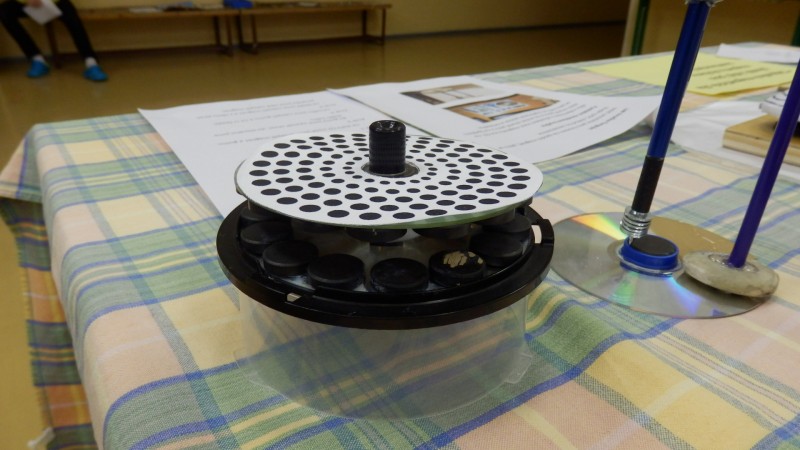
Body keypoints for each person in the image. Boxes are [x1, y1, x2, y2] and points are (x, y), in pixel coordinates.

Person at [0, 0, 107, 81]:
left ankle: (91, 63)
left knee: (69, 12)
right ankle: (37, 59)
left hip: (55, 2)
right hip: (26, 3)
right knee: (4, 11)